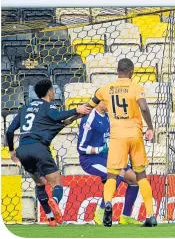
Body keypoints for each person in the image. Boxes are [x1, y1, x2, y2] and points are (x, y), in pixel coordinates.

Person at [6, 79, 91, 227]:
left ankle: (51, 218)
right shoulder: (48, 106)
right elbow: (57, 117)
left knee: (40, 183)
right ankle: (55, 201)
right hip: (39, 147)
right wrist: (76, 110)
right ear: (50, 91)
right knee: (56, 182)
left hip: (23, 150)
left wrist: (12, 151)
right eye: (53, 90)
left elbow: (9, 130)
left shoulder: (25, 108)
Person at [86, 58, 156, 227]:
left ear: (117, 71)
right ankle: (150, 215)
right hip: (135, 134)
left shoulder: (105, 89)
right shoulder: (135, 87)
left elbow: (89, 106)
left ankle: (108, 203)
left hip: (117, 136)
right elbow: (144, 107)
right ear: (131, 71)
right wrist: (150, 127)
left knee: (112, 175)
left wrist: (72, 116)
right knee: (141, 175)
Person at [77, 102, 141, 225]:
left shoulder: (107, 116)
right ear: (99, 101)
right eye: (106, 100)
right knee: (117, 171)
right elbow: (81, 147)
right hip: (90, 160)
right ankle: (101, 212)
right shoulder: (89, 119)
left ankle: (126, 217)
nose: (109, 103)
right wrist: (99, 149)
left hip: (107, 157)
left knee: (134, 180)